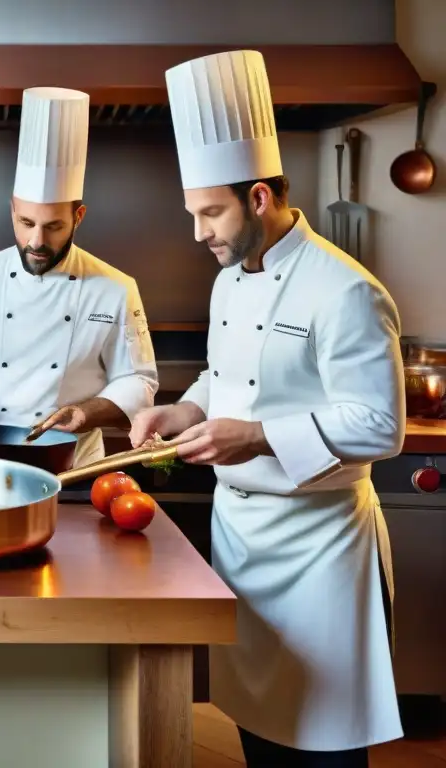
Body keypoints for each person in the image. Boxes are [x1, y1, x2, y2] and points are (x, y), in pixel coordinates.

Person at [130, 49, 404, 766]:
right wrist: (183, 411)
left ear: (257, 197)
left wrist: (254, 437)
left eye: (210, 212)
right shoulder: (231, 279)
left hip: (320, 552)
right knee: (259, 734)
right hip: (244, 544)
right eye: (192, 214)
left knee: (324, 744)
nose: (199, 233)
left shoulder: (345, 289)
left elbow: (380, 424)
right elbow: (228, 380)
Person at [0, 86, 159, 467]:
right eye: (26, 222)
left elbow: (138, 381)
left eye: (54, 226)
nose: (36, 241)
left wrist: (85, 413)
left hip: (73, 465)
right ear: (12, 210)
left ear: (78, 217)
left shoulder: (116, 289)